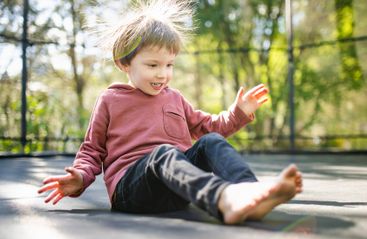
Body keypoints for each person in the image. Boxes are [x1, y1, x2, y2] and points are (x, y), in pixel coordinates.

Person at [38, 0, 302, 225]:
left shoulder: (174, 97)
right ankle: (225, 199)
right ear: (124, 63)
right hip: (132, 191)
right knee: (164, 154)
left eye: (169, 65)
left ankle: (249, 191)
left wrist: (238, 113)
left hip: (179, 185)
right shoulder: (111, 99)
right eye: (152, 64)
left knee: (210, 142)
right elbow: (92, 150)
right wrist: (81, 177)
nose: (162, 74)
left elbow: (210, 127)